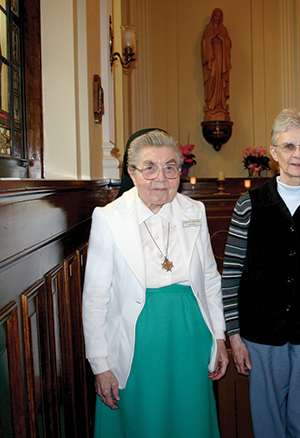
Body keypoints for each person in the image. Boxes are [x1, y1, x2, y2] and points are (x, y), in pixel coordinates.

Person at [82, 130, 228, 437]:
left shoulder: (194, 212)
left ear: (180, 171)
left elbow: (211, 281)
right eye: (149, 167)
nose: (160, 177)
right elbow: (95, 298)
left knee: (190, 421)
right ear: (132, 173)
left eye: (170, 167)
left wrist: (219, 337)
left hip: (191, 339)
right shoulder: (109, 218)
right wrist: (100, 364)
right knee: (141, 423)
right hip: (135, 343)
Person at [221, 109, 300, 438]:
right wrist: (234, 332)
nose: (297, 154)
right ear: (274, 152)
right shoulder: (249, 205)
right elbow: (231, 273)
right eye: (288, 146)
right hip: (261, 330)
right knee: (268, 417)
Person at [201, 8, 232, 121]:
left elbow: (228, 43)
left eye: (219, 16)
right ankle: (212, 105)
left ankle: (221, 104)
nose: (218, 18)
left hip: (221, 58)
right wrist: (211, 38)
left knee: (220, 79)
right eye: (216, 16)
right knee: (212, 78)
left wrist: (222, 39)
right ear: (213, 16)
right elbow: (204, 42)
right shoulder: (208, 29)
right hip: (212, 60)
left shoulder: (223, 29)